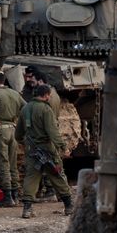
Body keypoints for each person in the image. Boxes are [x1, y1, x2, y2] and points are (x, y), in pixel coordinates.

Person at [16, 84, 74, 219]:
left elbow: (18, 134)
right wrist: (63, 147)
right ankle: (69, 206)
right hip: (47, 150)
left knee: (31, 177)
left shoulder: (25, 109)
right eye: (49, 95)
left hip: (32, 150)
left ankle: (27, 209)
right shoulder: (46, 110)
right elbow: (53, 132)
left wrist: (24, 142)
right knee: (57, 174)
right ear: (46, 95)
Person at [0, 72, 25, 208]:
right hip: (13, 130)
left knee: (2, 163)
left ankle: (7, 197)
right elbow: (25, 107)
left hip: (1, 130)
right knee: (13, 164)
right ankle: (15, 195)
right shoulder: (14, 93)